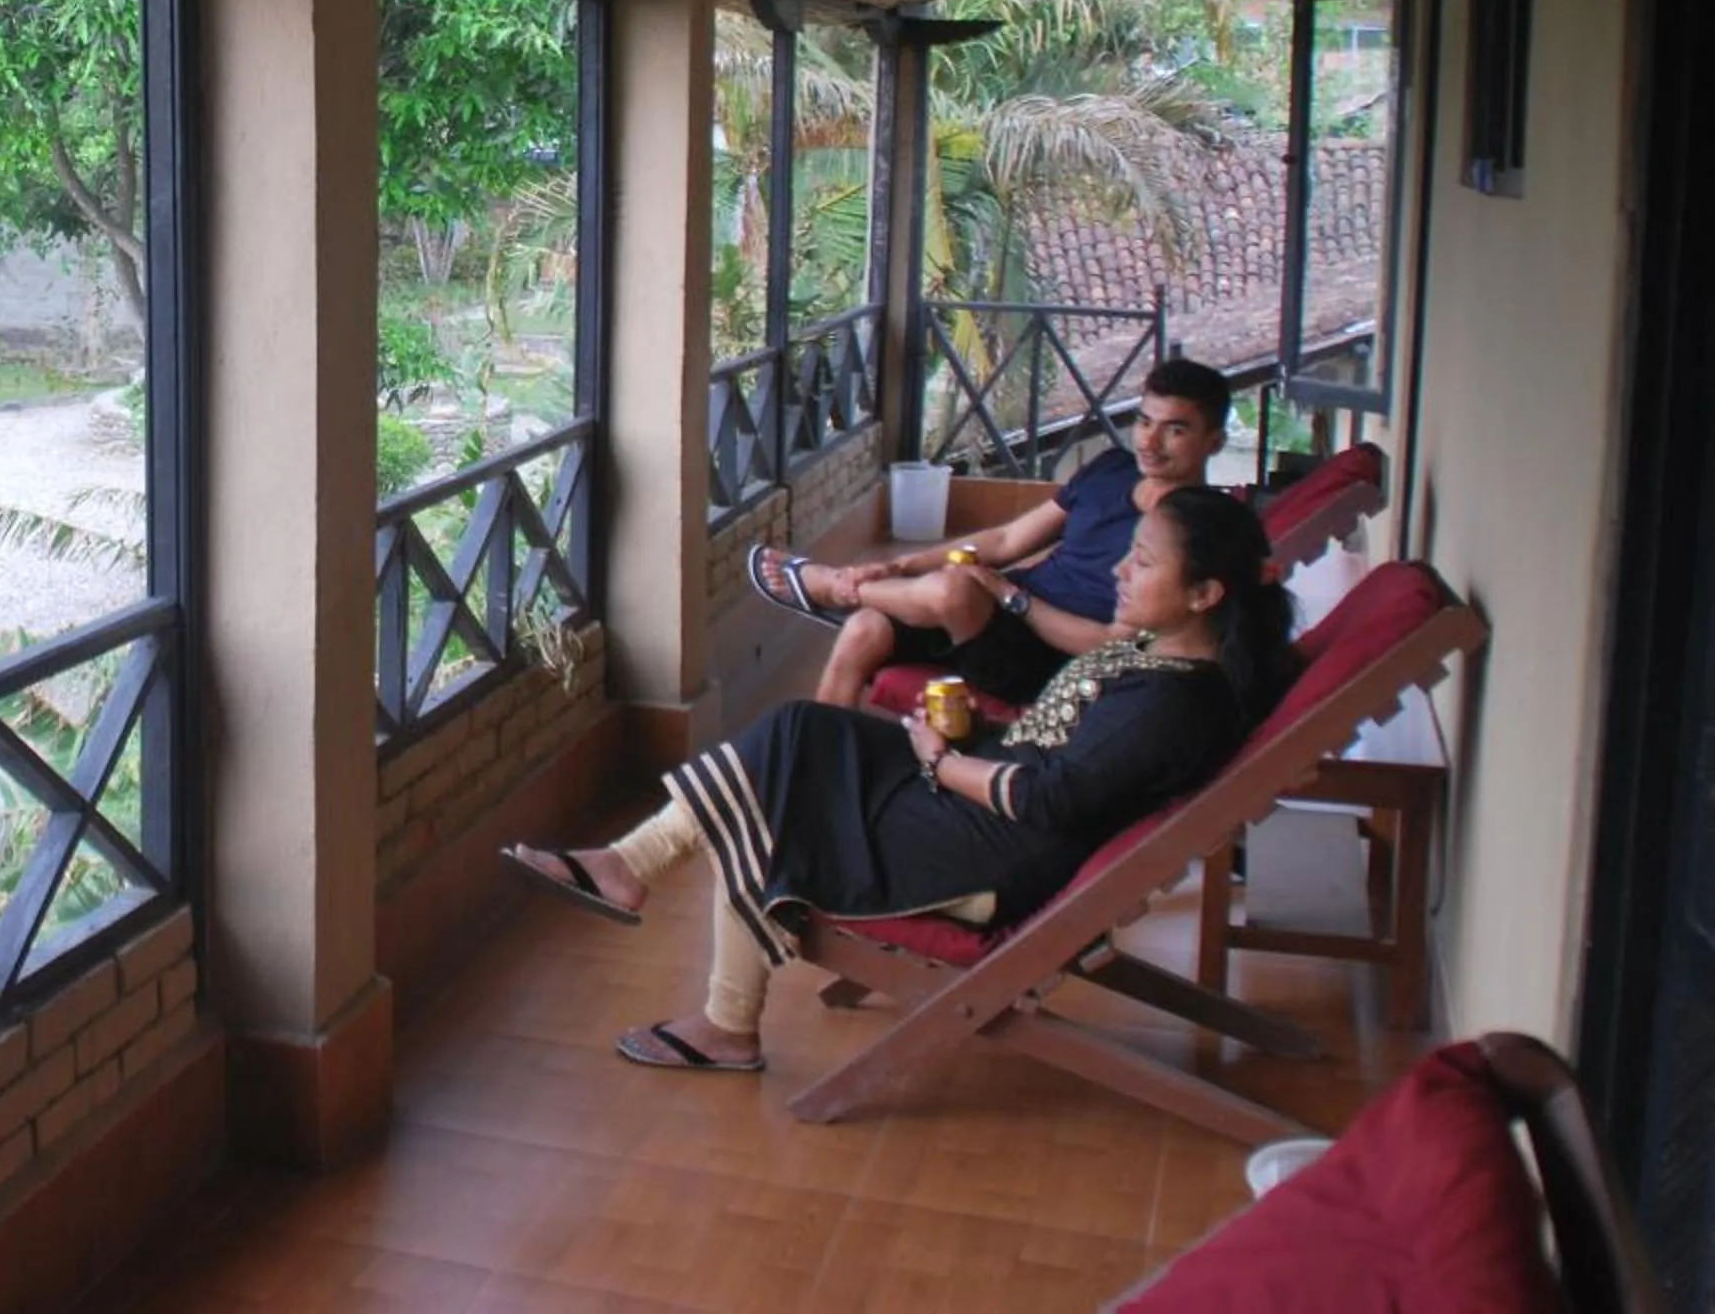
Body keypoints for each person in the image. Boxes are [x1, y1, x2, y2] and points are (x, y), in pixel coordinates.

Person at [505, 485, 1292, 1071]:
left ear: (1206, 594)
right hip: (982, 792)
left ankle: (720, 1012)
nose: (1121, 569)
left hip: (988, 849)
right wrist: (967, 740)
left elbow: (1048, 797)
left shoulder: (1174, 703)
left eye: (1142, 560)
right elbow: (1056, 753)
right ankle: (630, 874)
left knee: (778, 800)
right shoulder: (1159, 654)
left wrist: (946, 764)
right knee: (798, 732)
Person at [746, 356, 1233, 710]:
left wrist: (1009, 595)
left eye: (1175, 430)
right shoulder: (1110, 469)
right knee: (865, 630)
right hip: (991, 615)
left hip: (1044, 656)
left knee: (958, 586)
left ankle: (835, 588)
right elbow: (1005, 542)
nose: (1149, 440)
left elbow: (1111, 643)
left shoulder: (1195, 526)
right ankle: (814, 764)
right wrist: (901, 564)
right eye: (1144, 421)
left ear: (1214, 441)